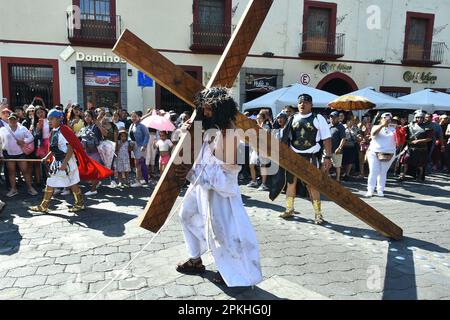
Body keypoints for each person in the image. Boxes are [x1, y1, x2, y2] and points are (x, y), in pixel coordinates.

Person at [175, 87, 262, 287]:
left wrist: (191, 173)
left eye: (208, 109)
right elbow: (197, 155)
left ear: (221, 110)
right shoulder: (208, 127)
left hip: (221, 196)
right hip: (200, 188)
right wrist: (186, 132)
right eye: (203, 108)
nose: (204, 113)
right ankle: (195, 259)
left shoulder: (230, 134)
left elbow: (226, 177)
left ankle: (231, 270)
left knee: (223, 233)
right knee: (185, 214)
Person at [29, 109, 113, 213]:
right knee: (58, 182)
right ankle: (51, 205)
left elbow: (70, 148)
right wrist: (47, 157)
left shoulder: (63, 131)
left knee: (66, 183)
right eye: (49, 119)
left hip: (66, 162)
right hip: (59, 162)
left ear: (59, 119)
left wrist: (64, 164)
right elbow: (54, 149)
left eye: (52, 119)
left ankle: (74, 204)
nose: (49, 121)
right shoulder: (54, 131)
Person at [270, 94, 332, 224]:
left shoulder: (318, 118)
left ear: (311, 105)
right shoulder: (292, 118)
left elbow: (326, 138)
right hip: (294, 157)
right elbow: (286, 137)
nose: (302, 104)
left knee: (312, 185)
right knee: (291, 184)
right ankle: (289, 209)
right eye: (300, 102)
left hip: (310, 157)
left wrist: (327, 157)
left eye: (306, 102)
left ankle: (318, 214)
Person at [0, 113, 38, 197]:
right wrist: (1, 154)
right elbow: (0, 142)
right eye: (10, 119)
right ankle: (14, 189)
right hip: (9, 154)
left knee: (25, 171)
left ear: (17, 120)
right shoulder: (3, 129)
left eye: (14, 119)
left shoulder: (22, 128)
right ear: (8, 120)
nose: (12, 121)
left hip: (20, 153)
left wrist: (24, 141)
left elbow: (31, 137)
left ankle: (30, 187)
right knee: (11, 172)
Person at [366, 113, 397, 197]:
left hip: (388, 153)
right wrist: (382, 125)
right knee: (373, 171)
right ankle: (370, 190)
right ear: (381, 119)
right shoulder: (376, 126)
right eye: (385, 118)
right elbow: (373, 134)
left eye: (389, 118)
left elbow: (397, 141)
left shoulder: (393, 129)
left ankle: (380, 190)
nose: (387, 119)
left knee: (383, 172)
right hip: (374, 152)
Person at [399, 110, 433, 181]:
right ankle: (402, 175)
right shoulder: (410, 125)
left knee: (420, 165)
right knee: (404, 161)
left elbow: (429, 138)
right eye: (418, 117)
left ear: (423, 118)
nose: (419, 119)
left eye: (421, 118)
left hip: (421, 149)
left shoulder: (428, 127)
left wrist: (418, 141)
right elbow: (401, 130)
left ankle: (419, 177)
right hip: (410, 148)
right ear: (415, 118)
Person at [79, 110, 104, 196]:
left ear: (92, 117)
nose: (87, 118)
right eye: (85, 116)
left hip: (94, 152)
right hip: (88, 151)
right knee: (92, 171)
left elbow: (102, 135)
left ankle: (93, 189)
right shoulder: (85, 127)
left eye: (89, 116)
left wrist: (98, 123)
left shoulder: (95, 126)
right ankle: (96, 183)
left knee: (94, 171)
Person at [128, 111, 149, 187]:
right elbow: (129, 136)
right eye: (132, 116)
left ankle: (138, 181)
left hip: (140, 146)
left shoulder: (142, 126)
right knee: (137, 163)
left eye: (135, 116)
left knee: (138, 164)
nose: (133, 118)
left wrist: (144, 145)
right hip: (133, 146)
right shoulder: (131, 125)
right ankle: (143, 179)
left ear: (139, 117)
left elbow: (147, 135)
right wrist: (130, 142)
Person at [328, 111, 347, 182]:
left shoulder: (341, 127)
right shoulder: (328, 125)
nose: (332, 118)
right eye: (331, 117)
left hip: (337, 149)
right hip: (328, 149)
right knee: (326, 164)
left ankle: (338, 179)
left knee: (337, 165)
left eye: (334, 117)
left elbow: (343, 138)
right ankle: (327, 177)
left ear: (338, 118)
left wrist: (339, 148)